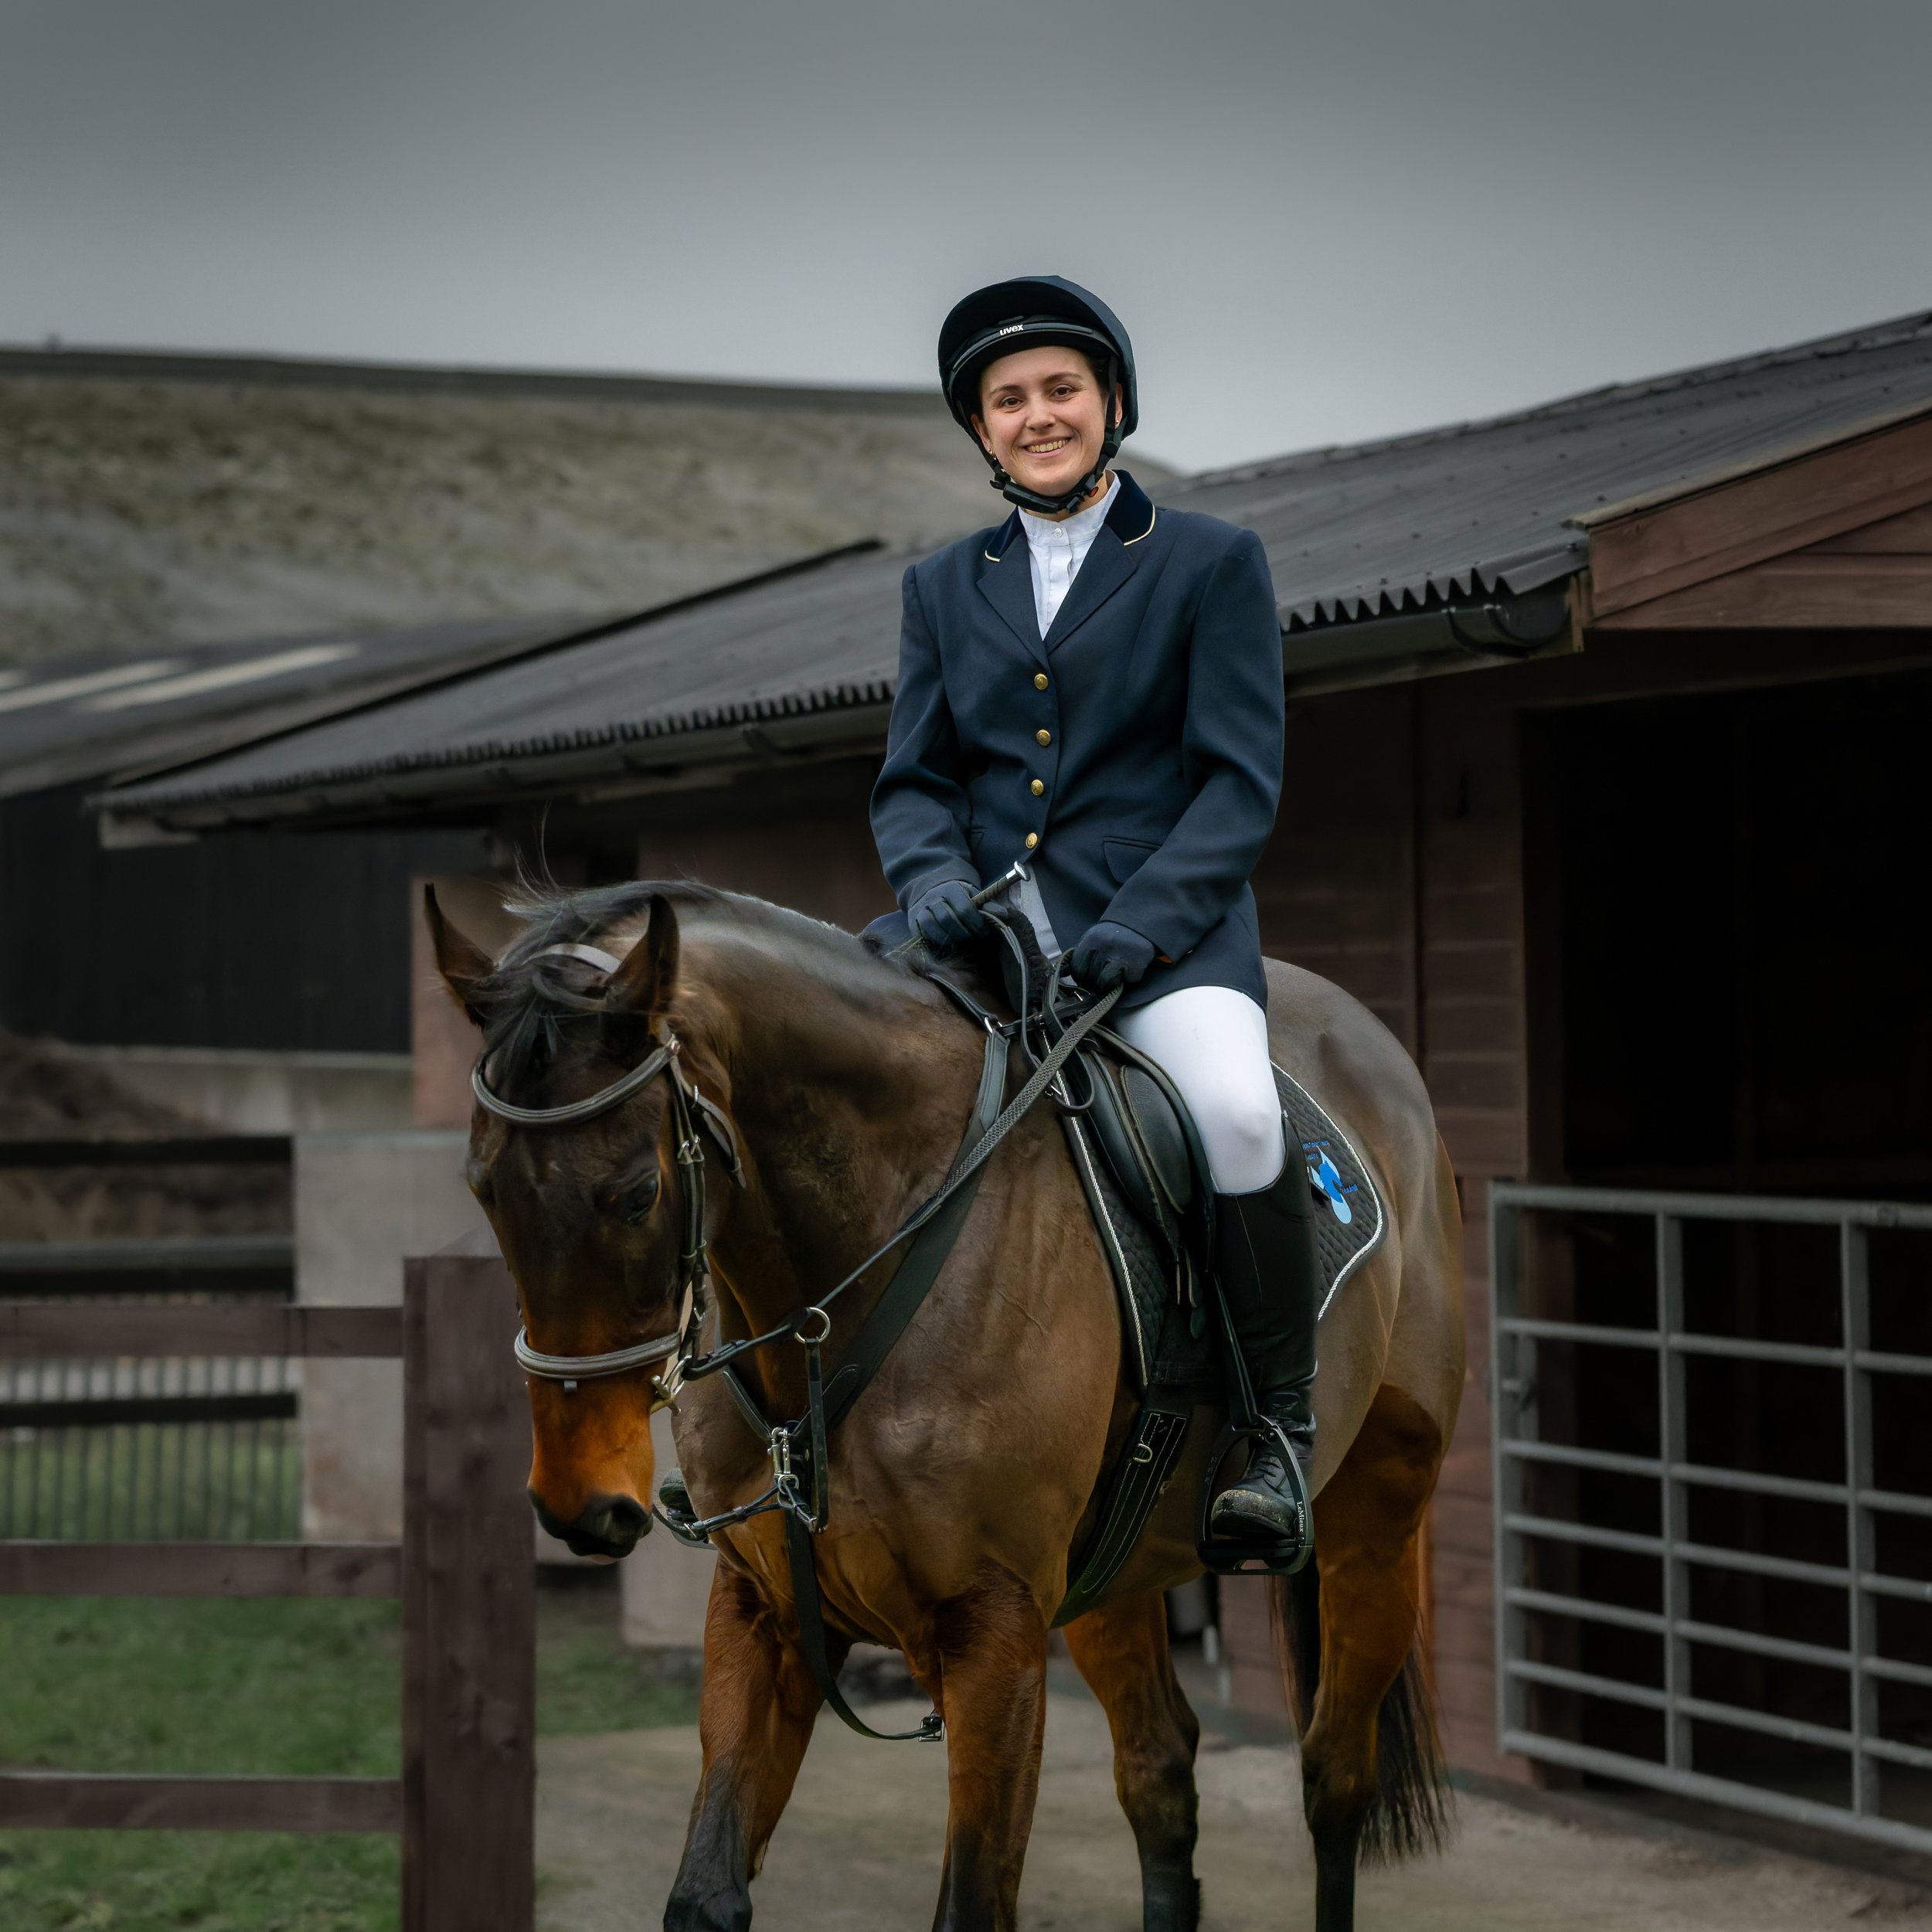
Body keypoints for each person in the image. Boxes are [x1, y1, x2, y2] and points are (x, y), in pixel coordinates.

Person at [865, 275, 1320, 1550]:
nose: (1036, 414)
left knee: (1233, 1113)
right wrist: (934, 884)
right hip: (980, 934)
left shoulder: (1211, 561)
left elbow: (1238, 786)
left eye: (1059, 389)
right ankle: (760, 1407)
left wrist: (1147, 920)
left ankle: (1275, 1428)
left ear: (1111, 403)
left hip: (1161, 940)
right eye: (1007, 401)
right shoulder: (942, 586)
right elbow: (914, 783)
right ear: (983, 433)